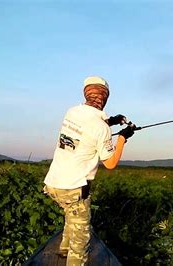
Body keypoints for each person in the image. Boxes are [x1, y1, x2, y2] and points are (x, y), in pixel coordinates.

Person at [43, 76, 135, 265]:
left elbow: (88, 128)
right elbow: (110, 163)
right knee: (81, 244)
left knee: (71, 214)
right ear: (105, 98)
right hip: (75, 189)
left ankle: (62, 249)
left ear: (86, 93)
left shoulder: (72, 112)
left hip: (53, 184)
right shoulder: (101, 128)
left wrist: (111, 121)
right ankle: (71, 254)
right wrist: (123, 138)